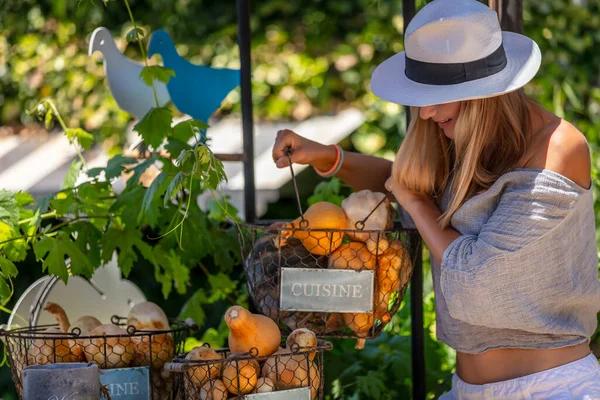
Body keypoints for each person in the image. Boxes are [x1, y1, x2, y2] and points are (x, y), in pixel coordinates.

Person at [272, 0, 600, 398]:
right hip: (466, 389)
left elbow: (477, 282)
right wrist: (326, 156)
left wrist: (415, 203)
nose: (425, 113)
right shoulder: (461, 134)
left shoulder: (557, 149)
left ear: (483, 92)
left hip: (553, 388)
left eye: (438, 96)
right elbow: (406, 183)